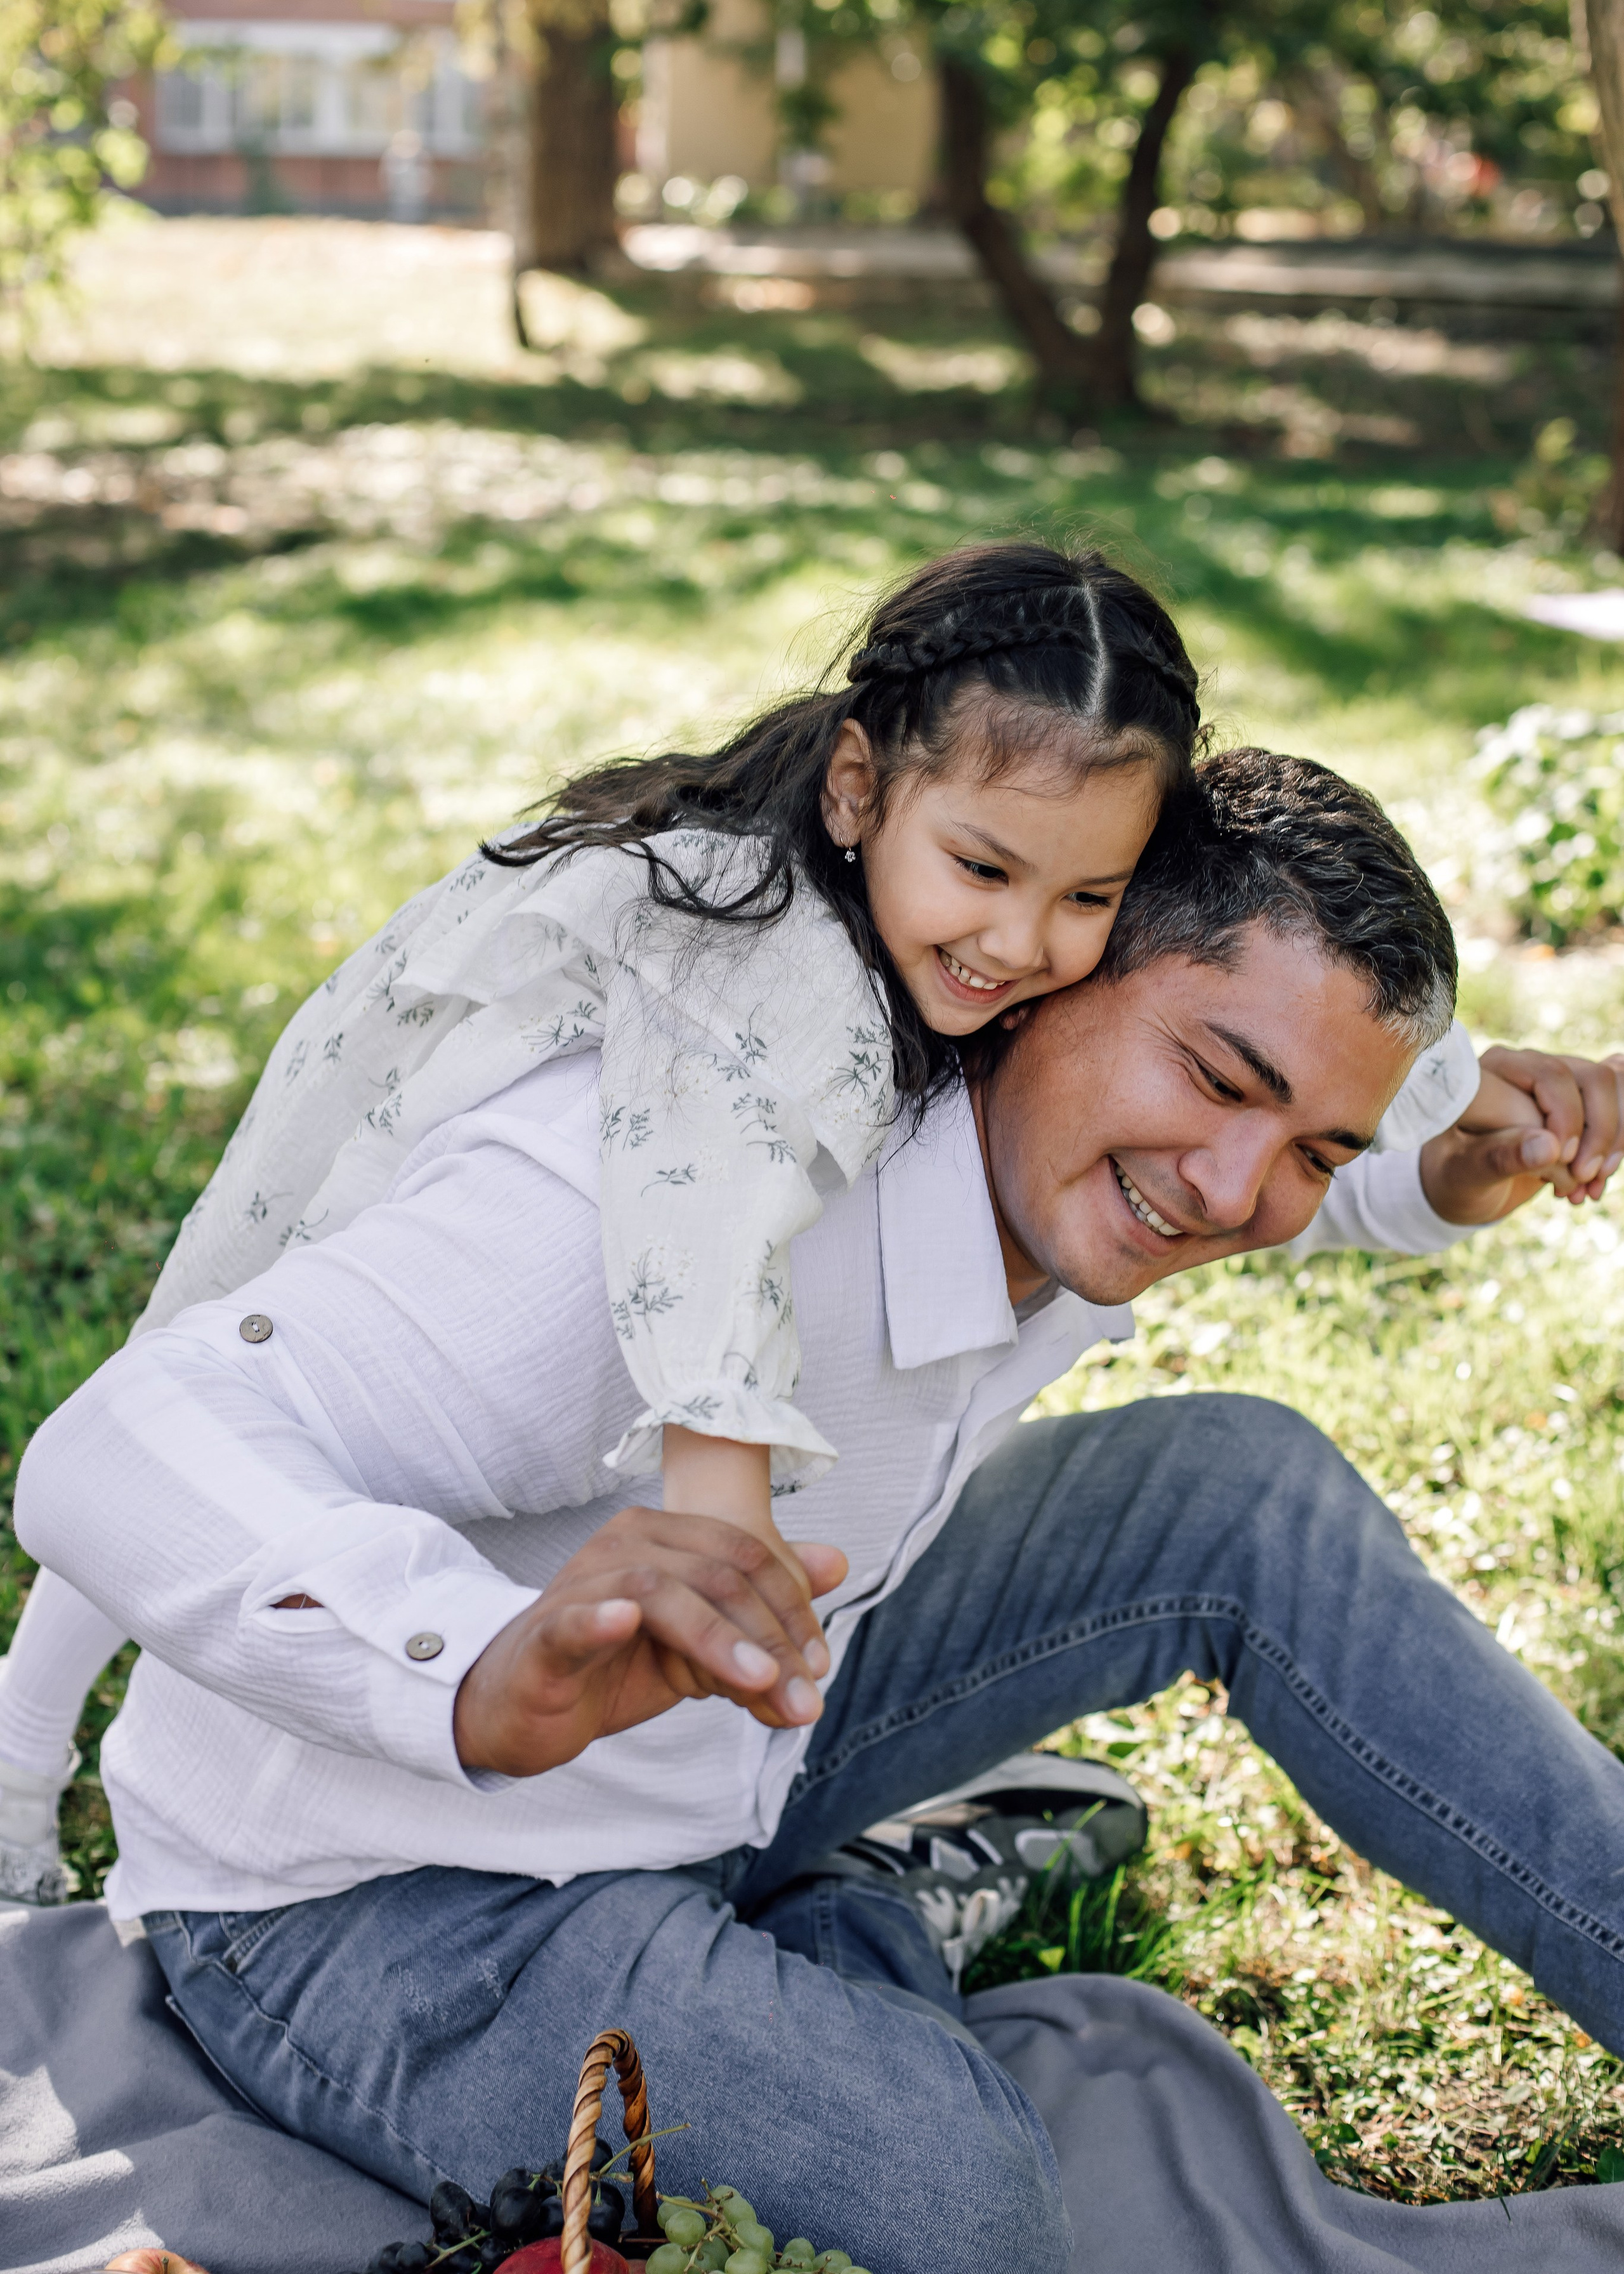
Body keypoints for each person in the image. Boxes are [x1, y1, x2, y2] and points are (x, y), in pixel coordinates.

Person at [16, 750, 1624, 2274]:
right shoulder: (640, 1198)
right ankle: (842, 1928)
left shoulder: (1091, 1150)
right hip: (374, 1900)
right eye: (1215, 1081)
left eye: (1309, 1148)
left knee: (1242, 1487)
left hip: (737, 1733)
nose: (1226, 1192)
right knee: (956, 2199)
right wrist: (469, 1661)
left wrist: (1421, 1177)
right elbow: (124, 1441)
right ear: (1050, 974)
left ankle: (800, 1919)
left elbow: (1292, 1137)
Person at [0, 538, 1212, 1905]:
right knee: (207, 1354)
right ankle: (17, 1752)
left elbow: (1247, 1029)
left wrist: (1427, 1129)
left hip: (493, 1056)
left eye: (1086, 899)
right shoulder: (776, 965)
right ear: (858, 787)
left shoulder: (889, 911)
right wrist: (721, 1499)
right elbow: (700, 1231)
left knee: (199, 1361)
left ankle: (17, 1747)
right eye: (982, 869)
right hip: (418, 1089)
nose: (1022, 941)